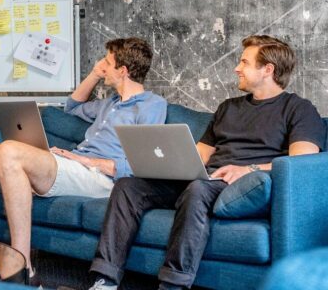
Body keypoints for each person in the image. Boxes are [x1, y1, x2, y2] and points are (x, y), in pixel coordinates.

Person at [88, 35, 326, 290]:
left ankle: (172, 285)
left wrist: (248, 169)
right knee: (127, 186)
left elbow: (302, 162)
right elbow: (199, 155)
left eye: (244, 62)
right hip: (207, 180)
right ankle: (105, 280)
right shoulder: (228, 108)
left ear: (268, 70)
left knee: (198, 189)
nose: (237, 68)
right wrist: (169, 165)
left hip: (244, 185)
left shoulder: (298, 109)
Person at [0, 37, 167, 283]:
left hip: (100, 178)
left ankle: (24, 266)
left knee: (10, 151)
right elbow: (71, 107)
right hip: (75, 167)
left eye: (107, 62)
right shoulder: (108, 104)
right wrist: (93, 75)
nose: (101, 65)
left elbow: (142, 164)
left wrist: (88, 161)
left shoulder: (151, 106)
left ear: (122, 71)